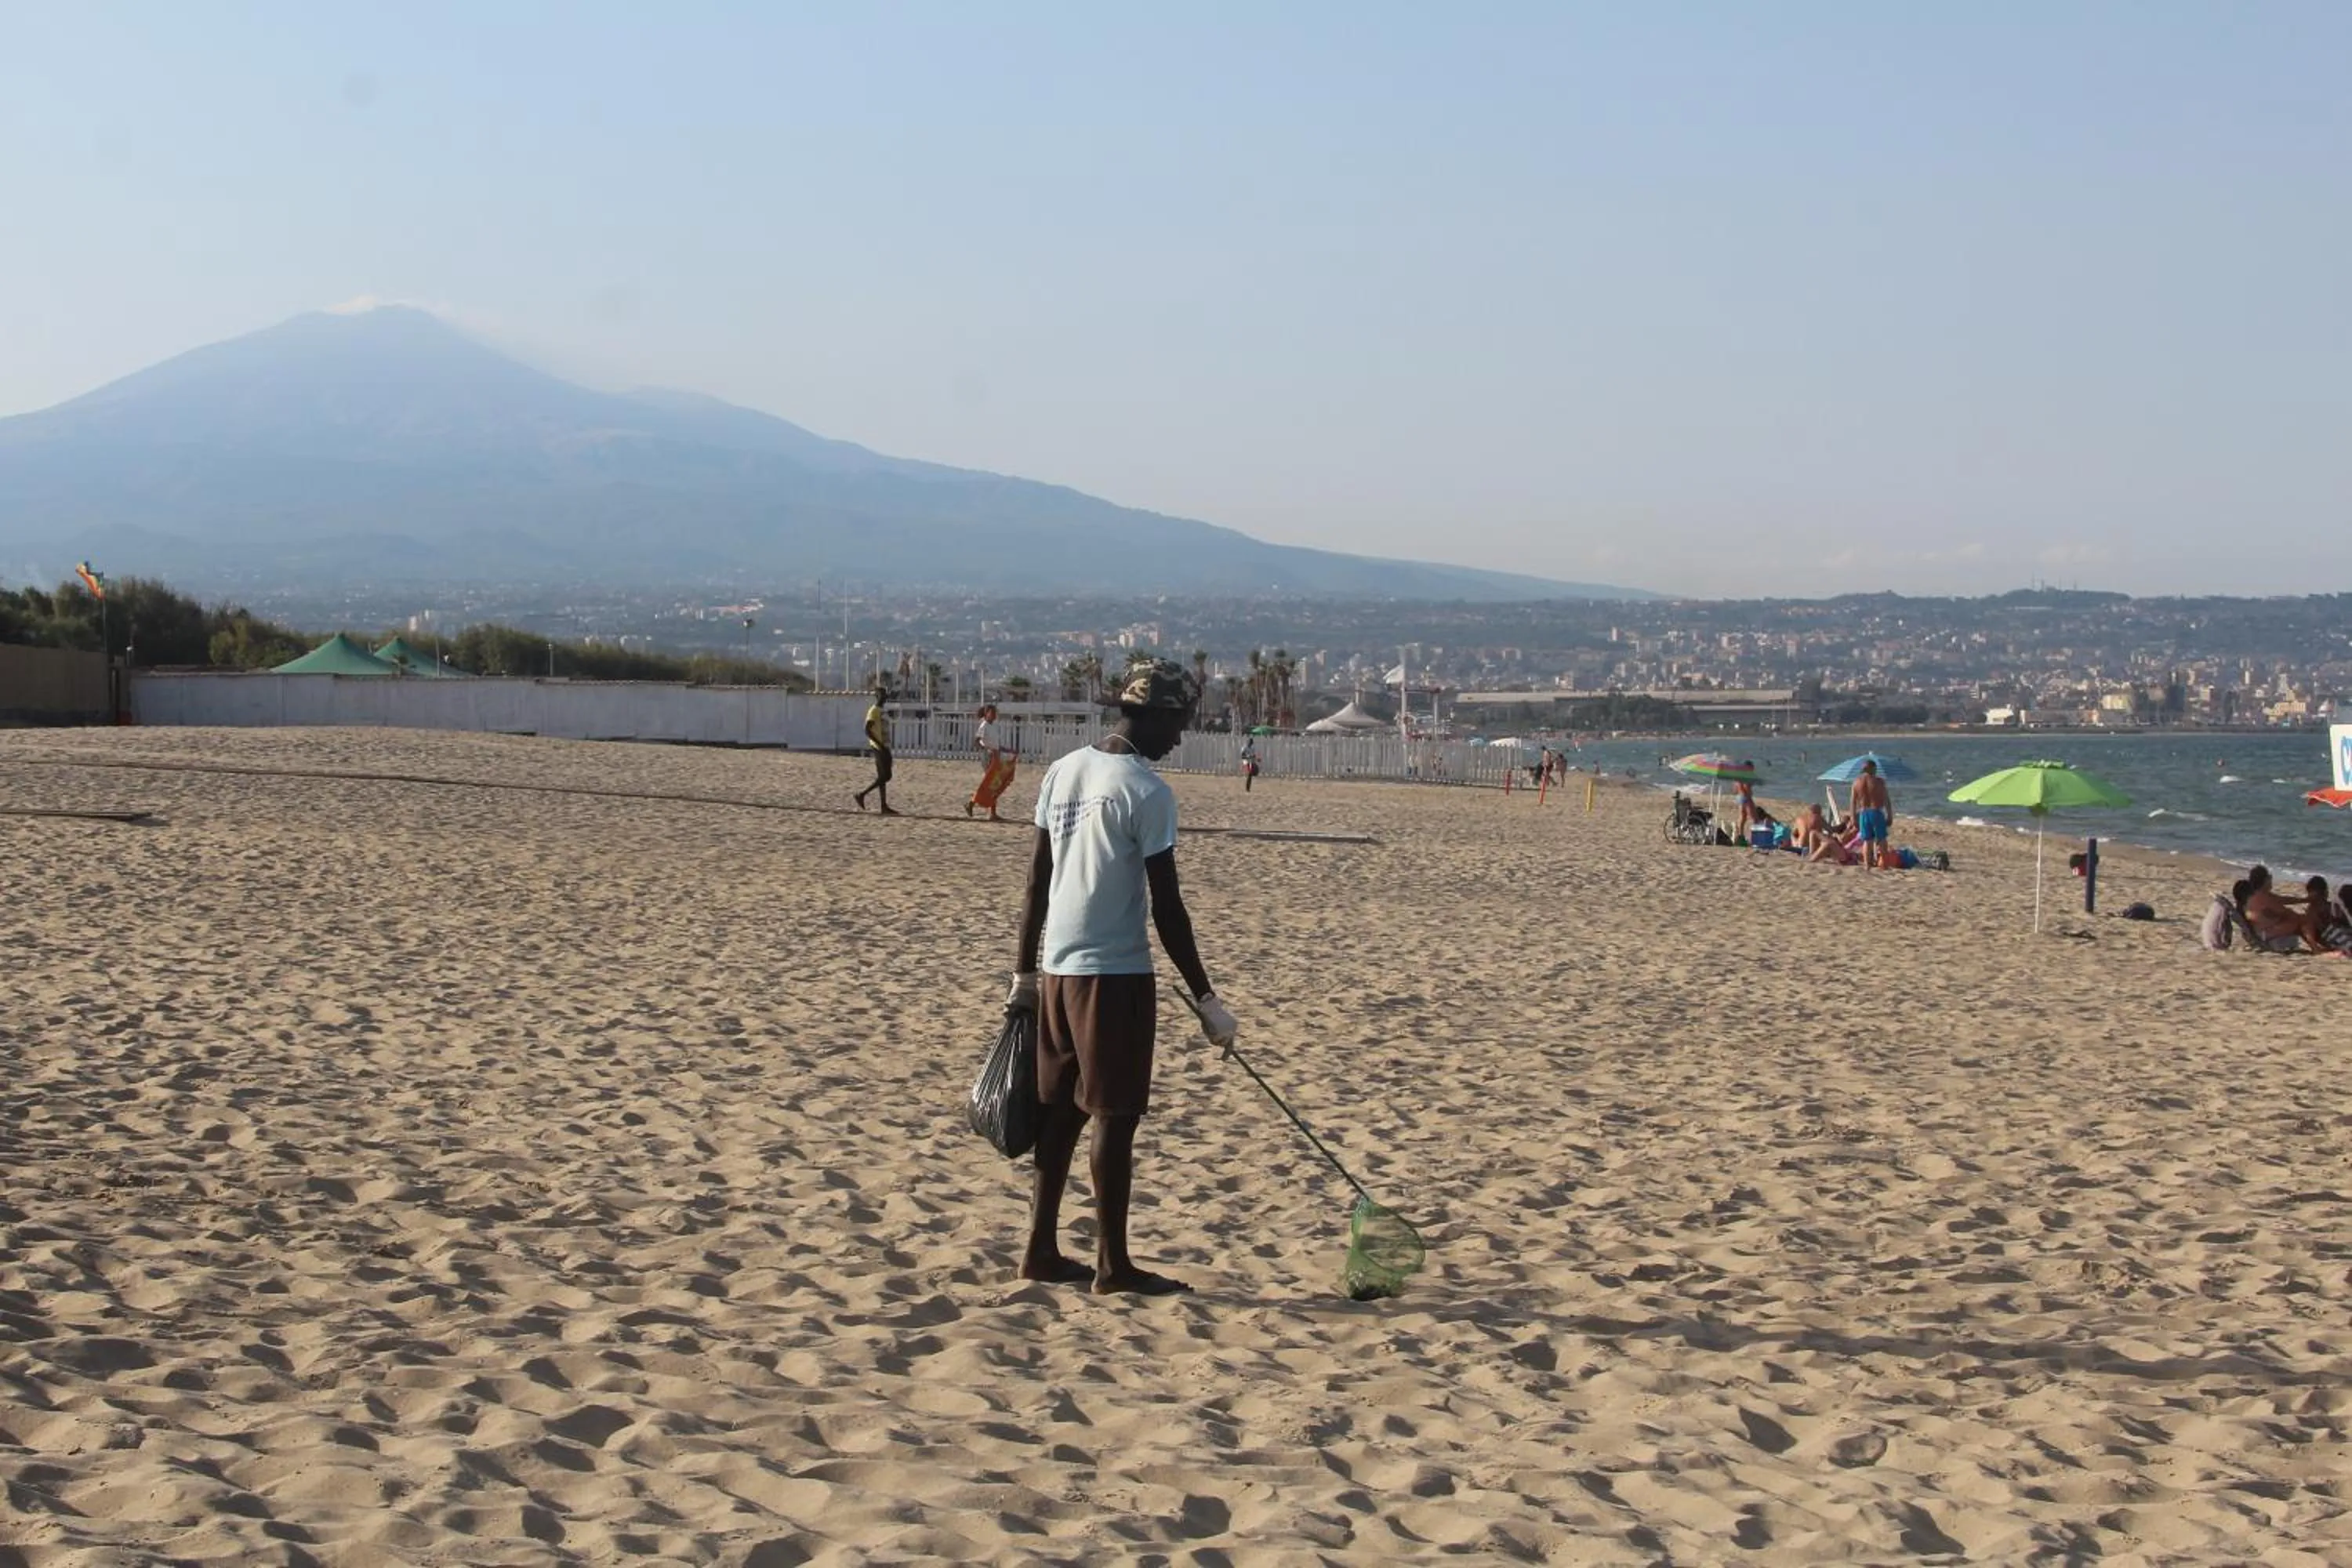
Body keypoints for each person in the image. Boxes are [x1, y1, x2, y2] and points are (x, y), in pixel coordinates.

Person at [1007, 659, 1237, 1296]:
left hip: (1058, 968)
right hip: (1114, 976)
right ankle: (1113, 1266)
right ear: (1159, 716)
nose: (1181, 738)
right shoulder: (1147, 790)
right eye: (1181, 723)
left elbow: (1036, 881)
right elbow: (1169, 906)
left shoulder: (1064, 770)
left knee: (1058, 1115)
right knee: (1114, 1114)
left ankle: (1040, 1250)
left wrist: (1024, 972)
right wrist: (1207, 997)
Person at [852, 684, 897, 815]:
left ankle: (883, 806)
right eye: (882, 696)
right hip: (879, 747)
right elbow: (867, 730)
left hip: (884, 746)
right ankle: (861, 795)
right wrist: (880, 745)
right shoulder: (873, 711)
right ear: (877, 697)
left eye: (885, 696)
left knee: (882, 777)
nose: (884, 698)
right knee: (886, 776)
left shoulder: (882, 711)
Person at [967, 703, 1015, 821]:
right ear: (987, 713)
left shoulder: (993, 726)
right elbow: (977, 741)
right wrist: (987, 750)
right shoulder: (984, 725)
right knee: (991, 783)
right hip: (988, 757)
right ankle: (973, 804)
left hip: (996, 756)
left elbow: (996, 745)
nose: (994, 715)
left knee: (994, 783)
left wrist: (1007, 750)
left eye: (995, 713)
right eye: (992, 713)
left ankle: (989, 812)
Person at [1848, 760, 1893, 869]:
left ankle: (1867, 866)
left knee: (1867, 841)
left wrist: (1853, 817)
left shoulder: (1856, 782)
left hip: (1863, 813)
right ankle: (1885, 866)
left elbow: (1853, 802)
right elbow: (1886, 800)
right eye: (1875, 768)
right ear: (1873, 768)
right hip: (1876, 812)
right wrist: (1890, 815)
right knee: (1882, 840)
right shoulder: (1879, 782)